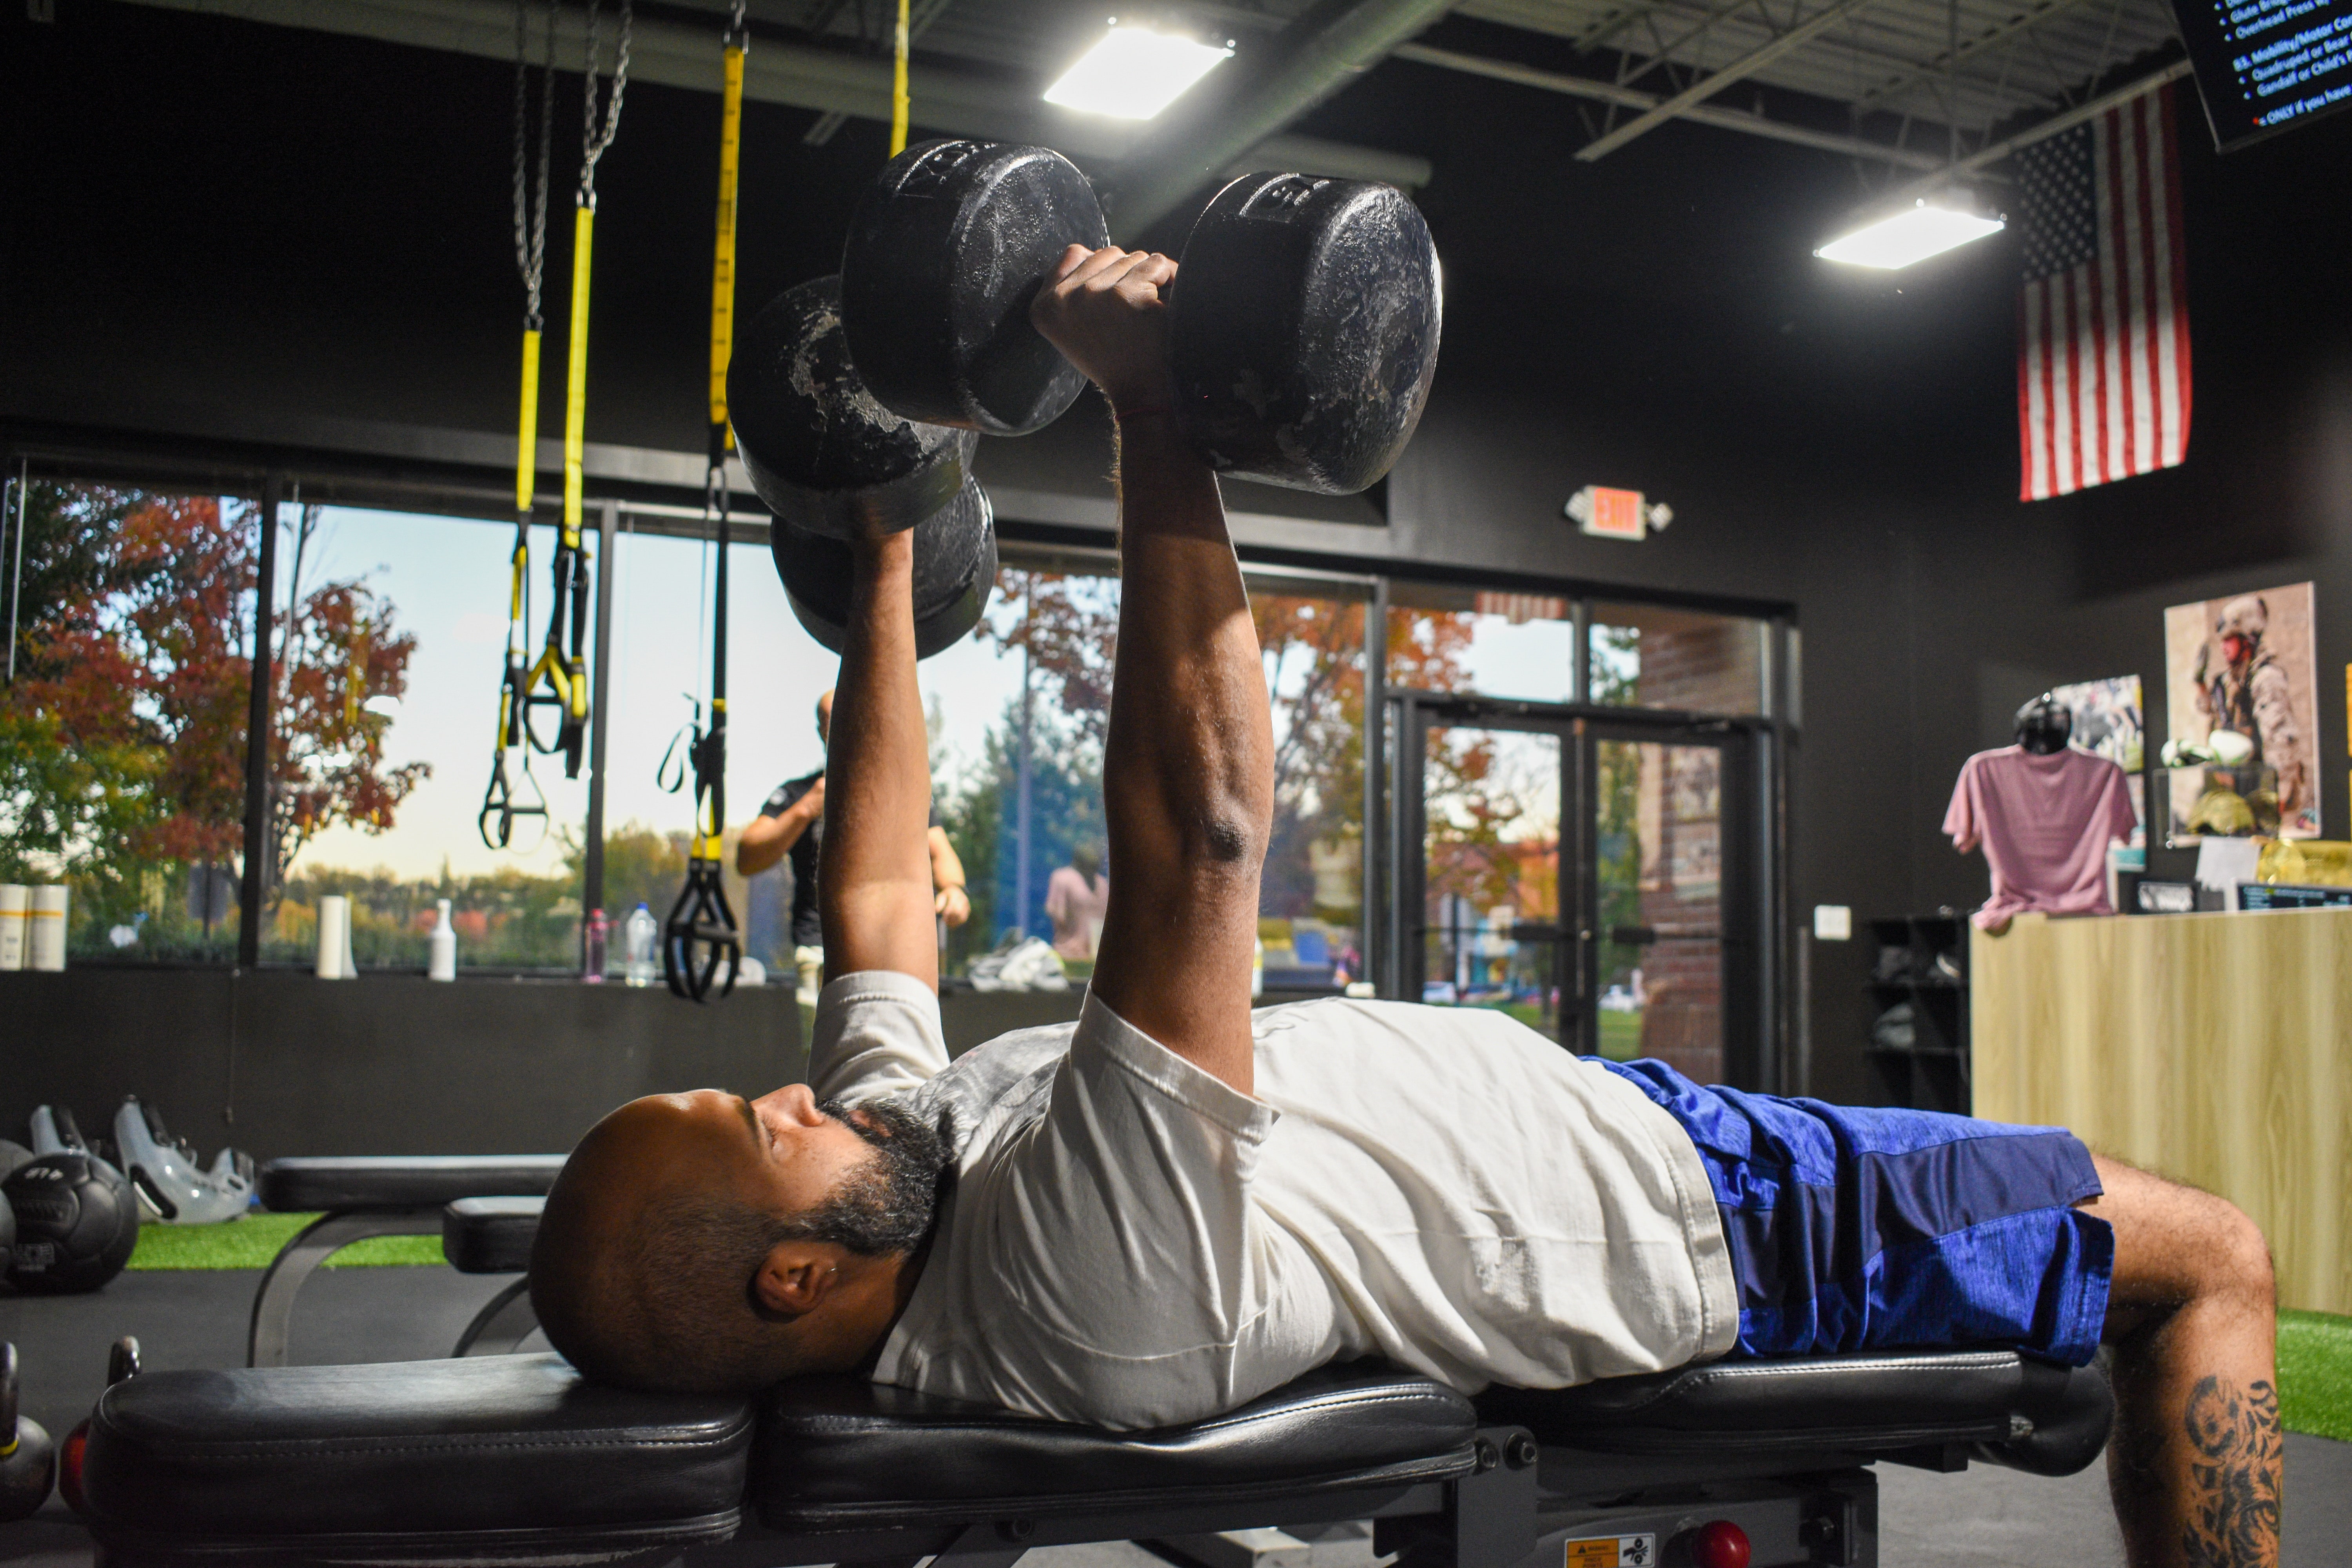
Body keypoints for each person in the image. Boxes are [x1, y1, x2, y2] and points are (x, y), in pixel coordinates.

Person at [535, 247, 2281, 1568]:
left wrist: (895, 545)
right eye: (751, 1125)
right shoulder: (1066, 1282)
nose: (783, 1091)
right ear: (788, 1273)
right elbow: (1205, 834)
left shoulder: (883, 1161)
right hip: (1710, 1222)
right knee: (2207, 1255)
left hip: (1636, 1133)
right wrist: (1151, 407)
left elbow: (869, 890)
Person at [739, 687, 969, 1003]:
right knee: (821, 1049)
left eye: (852, 714)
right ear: (822, 729)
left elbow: (940, 850)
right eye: (831, 719)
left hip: (891, 950)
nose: (843, 726)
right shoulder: (799, 793)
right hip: (820, 949)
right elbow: (747, 857)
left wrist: (954, 889)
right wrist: (806, 810)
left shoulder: (901, 789)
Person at [2195, 595, 2309, 832]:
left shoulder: (2266, 679)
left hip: (2267, 794)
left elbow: (2281, 739)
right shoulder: (2231, 680)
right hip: (2240, 790)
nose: (2223, 647)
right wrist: (2200, 684)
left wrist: (2281, 794)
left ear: (2248, 639)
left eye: (2230, 640)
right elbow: (2213, 712)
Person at [1042, 843, 1108, 962]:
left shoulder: (1102, 884)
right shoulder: (1063, 878)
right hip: (1070, 955)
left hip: (1098, 956)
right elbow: (1057, 915)